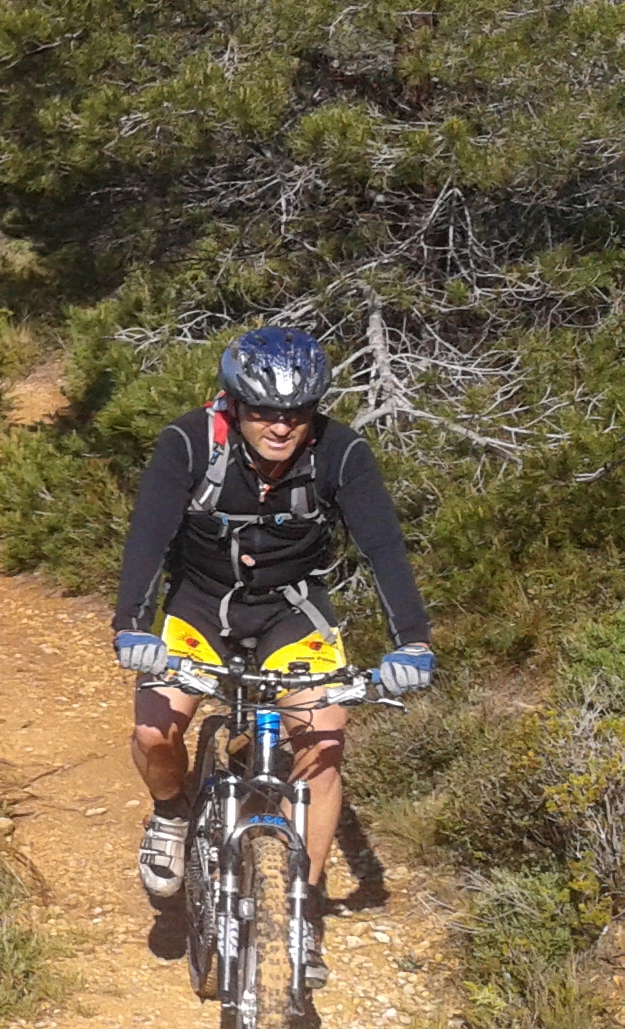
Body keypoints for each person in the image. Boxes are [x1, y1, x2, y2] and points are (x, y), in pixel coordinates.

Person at [111, 326, 434, 985]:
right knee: (153, 727)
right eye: (262, 411)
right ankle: (173, 814)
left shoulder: (340, 452)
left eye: (296, 412)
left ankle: (298, 909)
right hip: (200, 606)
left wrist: (413, 641)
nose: (281, 427)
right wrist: (132, 628)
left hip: (291, 612)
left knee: (323, 744)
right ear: (233, 403)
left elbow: (383, 548)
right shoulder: (190, 443)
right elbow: (148, 537)